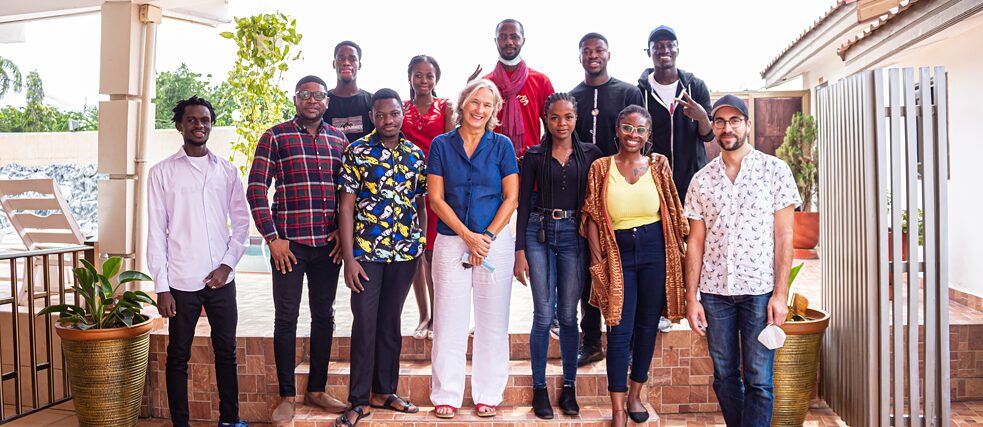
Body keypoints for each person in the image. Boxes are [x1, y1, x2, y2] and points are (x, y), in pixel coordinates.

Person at [683, 95, 799, 427]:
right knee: (724, 374)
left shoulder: (775, 171)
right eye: (720, 121)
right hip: (715, 293)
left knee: (759, 379)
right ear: (713, 128)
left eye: (735, 120)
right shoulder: (701, 180)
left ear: (748, 125)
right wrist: (692, 298)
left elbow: (785, 237)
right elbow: (695, 242)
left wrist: (780, 294)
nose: (727, 127)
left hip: (759, 291)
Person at [247, 75, 348, 426]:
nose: (312, 100)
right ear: (295, 99)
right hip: (288, 247)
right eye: (306, 95)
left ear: (327, 102)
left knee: (325, 315)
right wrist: (272, 237)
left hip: (326, 247)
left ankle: (316, 389)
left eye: (318, 95)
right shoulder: (275, 136)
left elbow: (347, 192)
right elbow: (256, 188)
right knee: (286, 318)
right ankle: (287, 396)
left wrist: (340, 230)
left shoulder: (339, 139)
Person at [581, 105, 688, 427]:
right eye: (627, 128)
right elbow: (590, 213)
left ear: (648, 136)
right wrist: (597, 255)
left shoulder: (658, 166)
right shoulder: (601, 167)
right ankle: (616, 409)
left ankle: (634, 396)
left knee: (645, 328)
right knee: (617, 329)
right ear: (617, 130)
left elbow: (673, 208)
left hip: (655, 249)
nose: (633, 135)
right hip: (618, 251)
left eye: (640, 130)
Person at [147, 96, 250, 427]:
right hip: (181, 281)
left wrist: (227, 266)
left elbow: (242, 224)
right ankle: (181, 424)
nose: (199, 125)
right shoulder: (161, 173)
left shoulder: (229, 171)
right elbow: (156, 232)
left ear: (211, 124)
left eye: (205, 120)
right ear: (179, 126)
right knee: (178, 357)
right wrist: (161, 287)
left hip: (222, 281)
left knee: (227, 353)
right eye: (191, 120)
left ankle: (230, 420)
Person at [334, 88, 427, 426]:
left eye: (395, 114)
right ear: (372, 116)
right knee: (365, 324)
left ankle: (384, 391)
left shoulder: (415, 155)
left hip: (404, 255)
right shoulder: (356, 151)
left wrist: (419, 242)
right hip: (367, 254)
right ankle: (358, 401)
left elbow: (420, 203)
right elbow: (345, 207)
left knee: (390, 324)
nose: (389, 120)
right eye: (382, 114)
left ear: (403, 114)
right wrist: (349, 258)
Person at [428, 79, 519, 419]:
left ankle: (487, 393)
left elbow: (511, 197)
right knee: (448, 321)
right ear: (463, 103)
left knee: (492, 322)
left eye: (488, 105)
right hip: (452, 242)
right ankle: (446, 394)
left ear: (494, 111)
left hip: (494, 243)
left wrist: (486, 239)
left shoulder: (502, 146)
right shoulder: (441, 145)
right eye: (475, 102)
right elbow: (436, 199)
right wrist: (468, 236)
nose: (480, 109)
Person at [513, 92, 602, 419]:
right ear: (545, 120)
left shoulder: (592, 155)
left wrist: (597, 249)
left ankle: (568, 388)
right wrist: (519, 250)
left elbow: (597, 204)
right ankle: (539, 390)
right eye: (554, 118)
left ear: (576, 119)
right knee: (542, 313)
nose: (561, 123)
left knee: (567, 315)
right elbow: (523, 204)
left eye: (568, 117)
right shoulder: (535, 155)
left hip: (574, 236)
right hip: (538, 232)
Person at [568, 31, 645, 368]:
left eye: (599, 50)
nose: (593, 55)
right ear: (580, 56)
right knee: (590, 269)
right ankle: (591, 339)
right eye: (587, 51)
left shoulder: (628, 91)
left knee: (622, 270)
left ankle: (623, 342)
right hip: (583, 191)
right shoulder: (573, 96)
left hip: (621, 187)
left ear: (609, 54)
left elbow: (641, 132)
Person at [402, 54, 454, 341]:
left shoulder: (445, 106)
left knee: (433, 252)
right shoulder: (402, 108)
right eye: (418, 75)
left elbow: (447, 146)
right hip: (407, 188)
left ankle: (439, 313)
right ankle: (424, 314)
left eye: (429, 75)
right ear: (409, 76)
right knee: (415, 253)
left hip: (435, 187)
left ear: (437, 78)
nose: (424, 80)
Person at [636, 25, 714, 204]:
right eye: (658, 45)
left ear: (677, 49)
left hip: (693, 181)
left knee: (693, 232)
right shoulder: (640, 92)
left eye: (670, 45)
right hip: (654, 182)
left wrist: (702, 117)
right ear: (649, 52)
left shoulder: (696, 86)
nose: (665, 50)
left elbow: (708, 135)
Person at [481, 18, 555, 156]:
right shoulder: (485, 84)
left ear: (523, 40)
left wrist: (543, 155)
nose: (509, 42)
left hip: (531, 163)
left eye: (514, 37)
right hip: (492, 162)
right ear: (495, 41)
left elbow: (552, 125)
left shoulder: (540, 81)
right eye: (502, 37)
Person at [324, 40, 374, 143]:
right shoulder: (322, 101)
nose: (346, 63)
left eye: (352, 59)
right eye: (341, 58)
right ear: (334, 64)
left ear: (359, 65)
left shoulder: (372, 101)